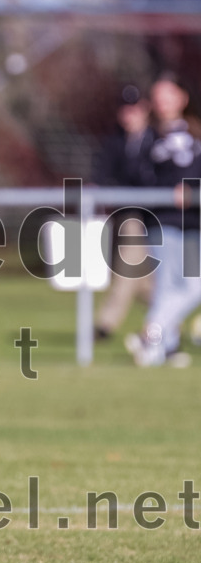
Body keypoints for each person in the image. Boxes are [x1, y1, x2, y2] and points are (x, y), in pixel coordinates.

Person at [125, 73, 201, 366]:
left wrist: (191, 189)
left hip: (192, 223)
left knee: (194, 286)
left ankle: (150, 333)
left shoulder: (196, 134)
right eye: (158, 97)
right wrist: (135, 136)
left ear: (182, 98)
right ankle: (162, 348)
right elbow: (135, 177)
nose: (162, 102)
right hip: (163, 221)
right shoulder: (148, 137)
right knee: (167, 286)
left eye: (168, 95)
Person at [93, 86, 154, 340]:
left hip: (159, 217)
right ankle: (166, 316)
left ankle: (107, 323)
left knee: (140, 277)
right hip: (128, 216)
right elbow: (100, 177)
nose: (129, 115)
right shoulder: (114, 143)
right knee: (135, 272)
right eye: (125, 110)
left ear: (145, 110)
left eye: (134, 109)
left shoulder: (157, 140)